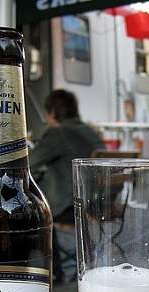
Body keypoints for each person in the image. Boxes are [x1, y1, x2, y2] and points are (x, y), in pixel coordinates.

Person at [30, 89, 105, 281]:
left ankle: (53, 271)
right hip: (102, 203)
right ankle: (82, 260)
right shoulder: (89, 131)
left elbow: (29, 162)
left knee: (39, 208)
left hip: (75, 206)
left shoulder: (59, 133)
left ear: (53, 113)